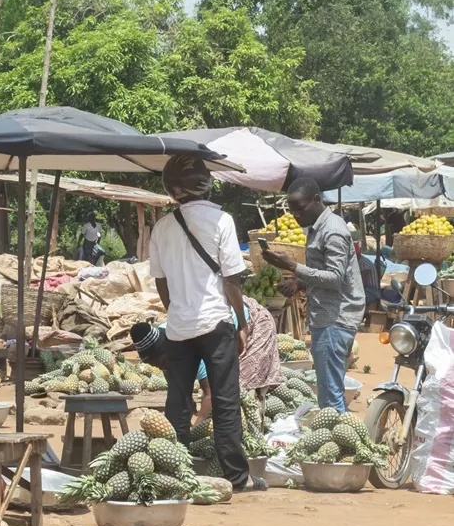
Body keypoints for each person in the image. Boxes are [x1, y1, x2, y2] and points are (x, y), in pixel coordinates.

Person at [149, 154, 252, 491]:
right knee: (225, 401)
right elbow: (232, 282)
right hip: (215, 324)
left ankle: (173, 474)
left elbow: (161, 282)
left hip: (178, 328)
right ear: (207, 184)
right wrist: (241, 323)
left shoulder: (162, 227)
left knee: (177, 403)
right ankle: (236, 478)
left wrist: (176, 308)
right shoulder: (222, 220)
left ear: (172, 189)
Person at [262, 177, 365, 412]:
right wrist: (300, 282)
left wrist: (294, 266)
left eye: (300, 208)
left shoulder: (333, 231)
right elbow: (325, 273)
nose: (296, 215)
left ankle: (339, 443)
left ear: (317, 200)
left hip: (334, 319)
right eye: (292, 210)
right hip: (327, 317)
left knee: (330, 397)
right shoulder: (318, 228)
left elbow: (335, 278)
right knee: (329, 391)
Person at [131, 294, 281, 423]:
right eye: (156, 366)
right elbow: (181, 396)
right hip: (219, 324)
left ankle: (253, 438)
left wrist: (196, 428)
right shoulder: (164, 356)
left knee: (239, 389)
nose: (162, 367)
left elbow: (210, 394)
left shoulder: (189, 344)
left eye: (162, 363)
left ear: (168, 351)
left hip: (250, 322)